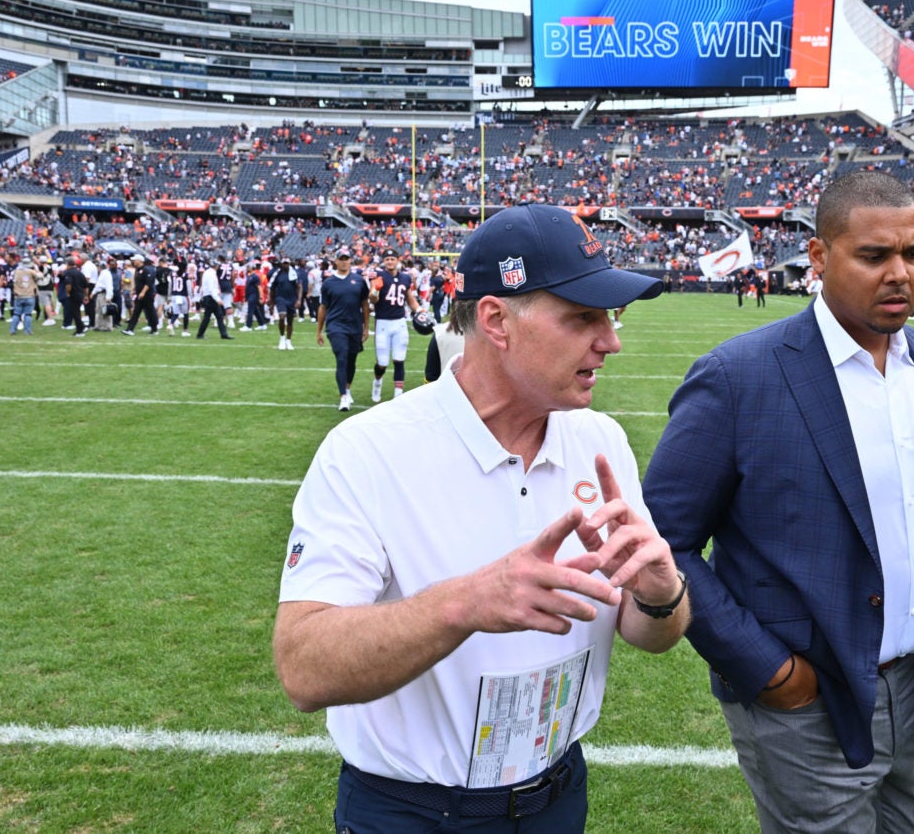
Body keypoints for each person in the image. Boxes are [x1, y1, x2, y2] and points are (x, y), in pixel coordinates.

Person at [642, 171, 914, 832]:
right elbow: (661, 543)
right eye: (874, 256)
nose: (900, 273)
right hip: (805, 700)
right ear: (819, 257)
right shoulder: (738, 377)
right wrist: (769, 670)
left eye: (913, 253)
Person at [272, 203, 687, 833]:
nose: (611, 339)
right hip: (411, 812)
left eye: (611, 316)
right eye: (583, 317)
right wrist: (466, 603)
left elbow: (649, 632)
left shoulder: (600, 440)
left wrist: (661, 594)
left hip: (557, 794)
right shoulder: (368, 452)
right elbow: (303, 667)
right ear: (495, 320)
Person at [315, 249, 370, 411]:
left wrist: (366, 327)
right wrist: (319, 330)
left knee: (352, 360)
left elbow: (365, 305)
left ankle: (347, 388)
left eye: (347, 258)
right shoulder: (329, 283)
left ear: (350, 261)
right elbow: (323, 307)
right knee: (342, 357)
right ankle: (343, 397)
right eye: (341, 259)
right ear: (336, 261)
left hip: (354, 325)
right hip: (335, 325)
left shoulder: (359, 281)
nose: (344, 261)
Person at [368, 247, 420, 402]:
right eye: (387, 259)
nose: (390, 262)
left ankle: (398, 394)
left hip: (400, 322)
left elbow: (410, 299)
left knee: (399, 359)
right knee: (382, 362)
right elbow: (372, 299)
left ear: (398, 261)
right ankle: (377, 382)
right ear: (384, 261)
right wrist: (375, 291)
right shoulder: (378, 275)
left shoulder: (405, 278)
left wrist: (420, 310)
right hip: (383, 323)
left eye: (392, 259)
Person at [269, 257, 304, 350]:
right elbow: (272, 288)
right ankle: (282, 337)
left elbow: (299, 287)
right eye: (284, 263)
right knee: (282, 316)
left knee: (290, 321)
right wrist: (271, 303)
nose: (286, 265)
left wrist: (299, 300)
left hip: (292, 299)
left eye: (287, 263)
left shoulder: (295, 274)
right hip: (281, 298)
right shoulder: (277, 274)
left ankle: (288, 340)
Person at [195, 262, 234, 340]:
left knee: (210, 316)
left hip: (208, 296)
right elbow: (212, 288)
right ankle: (223, 334)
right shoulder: (211, 274)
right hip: (211, 297)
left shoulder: (207, 272)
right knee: (217, 316)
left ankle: (201, 334)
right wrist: (217, 299)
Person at [123, 254, 159, 336]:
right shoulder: (137, 270)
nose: (133, 262)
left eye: (135, 260)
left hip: (147, 295)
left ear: (139, 261)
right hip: (139, 295)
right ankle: (130, 329)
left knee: (150, 311)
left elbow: (148, 283)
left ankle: (154, 328)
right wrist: (134, 290)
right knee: (136, 312)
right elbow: (138, 283)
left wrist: (143, 292)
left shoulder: (146, 270)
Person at [9, 258, 38, 335]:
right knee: (28, 314)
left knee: (16, 313)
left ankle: (13, 329)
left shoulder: (15, 272)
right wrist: (36, 269)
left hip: (18, 295)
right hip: (29, 295)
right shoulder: (31, 272)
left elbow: (11, 280)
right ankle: (27, 330)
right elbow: (40, 276)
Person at [90, 259, 114, 332]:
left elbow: (109, 286)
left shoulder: (106, 274)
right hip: (100, 294)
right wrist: (93, 293)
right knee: (99, 310)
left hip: (104, 294)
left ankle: (107, 326)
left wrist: (108, 296)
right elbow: (98, 286)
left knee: (105, 311)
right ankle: (98, 325)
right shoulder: (102, 274)